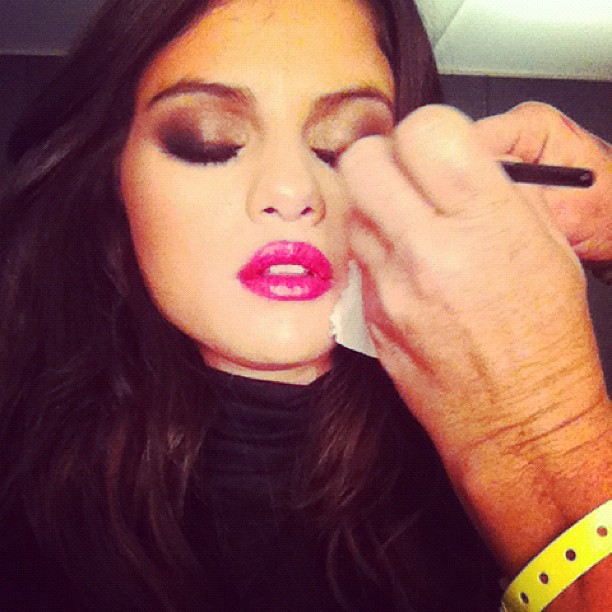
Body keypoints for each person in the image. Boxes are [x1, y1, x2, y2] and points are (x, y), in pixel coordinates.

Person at [0, 0, 609, 610]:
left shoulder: (453, 486)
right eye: (208, 141)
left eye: (347, 144)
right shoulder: (20, 505)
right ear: (114, 182)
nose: (292, 192)